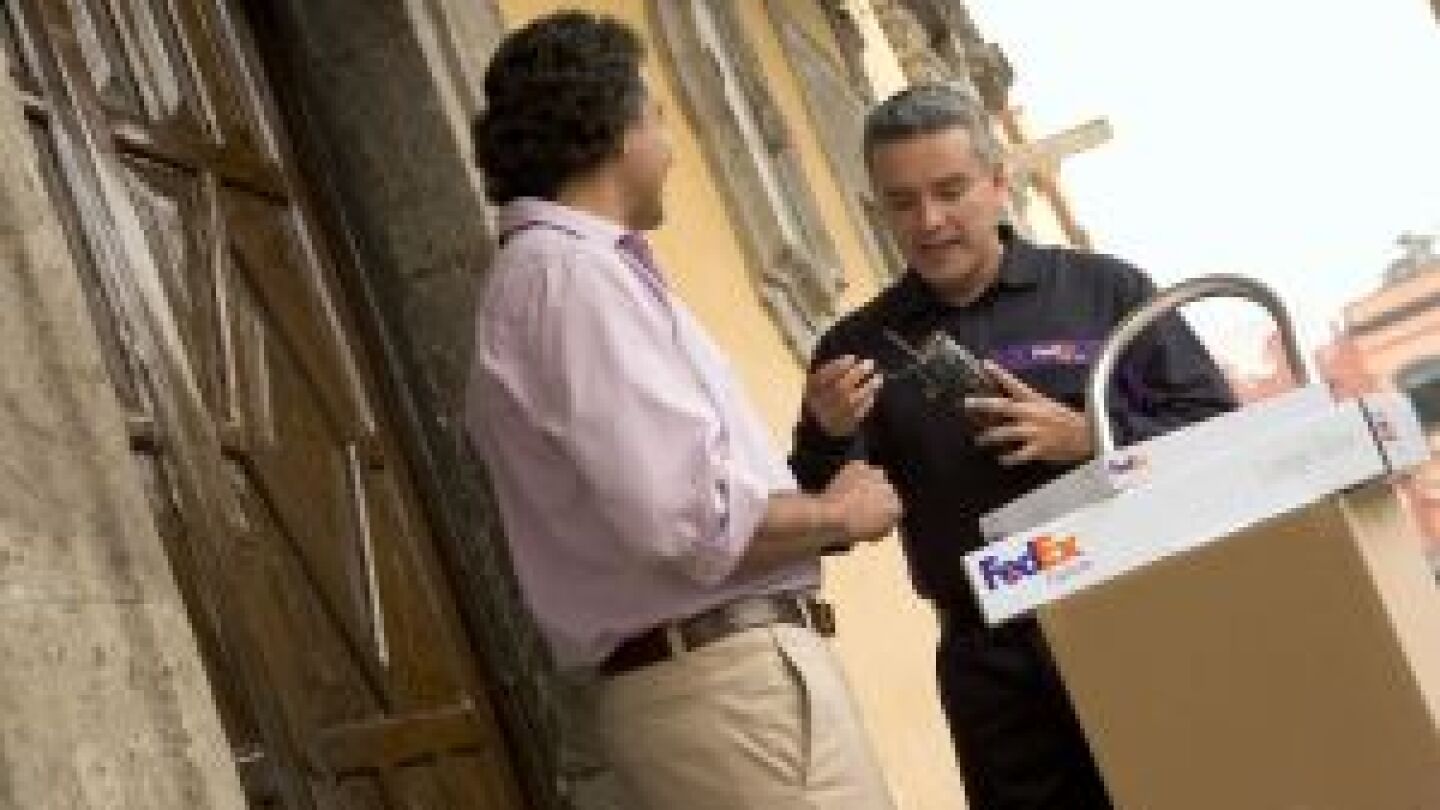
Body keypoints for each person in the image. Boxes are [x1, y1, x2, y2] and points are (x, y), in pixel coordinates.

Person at [464, 12, 900, 810]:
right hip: (728, 688)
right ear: (613, 128)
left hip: (717, 686)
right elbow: (688, 518)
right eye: (658, 117)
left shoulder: (562, 276)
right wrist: (839, 513)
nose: (669, 146)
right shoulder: (573, 278)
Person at [790, 83, 1237, 810]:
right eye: (902, 203)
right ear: (877, 210)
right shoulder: (856, 347)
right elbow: (828, 519)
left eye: (950, 191)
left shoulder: (1104, 289)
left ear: (999, 183)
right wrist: (826, 433)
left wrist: (1094, 440)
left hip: (1139, 615)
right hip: (994, 668)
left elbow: (1218, 432)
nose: (929, 221)